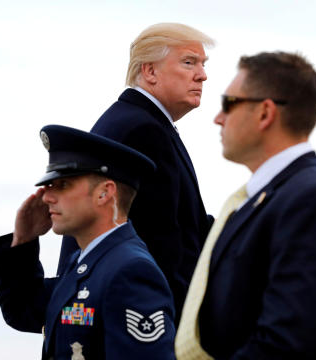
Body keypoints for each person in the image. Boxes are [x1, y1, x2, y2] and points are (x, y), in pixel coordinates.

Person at [175, 52, 316, 359]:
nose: (217, 117)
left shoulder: (313, 202)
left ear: (265, 113)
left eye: (228, 104)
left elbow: (285, 345)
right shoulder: (268, 199)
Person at [56, 23, 215, 323]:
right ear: (150, 72)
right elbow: (165, 250)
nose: (202, 75)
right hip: (137, 326)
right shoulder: (143, 130)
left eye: (203, 64)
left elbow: (187, 227)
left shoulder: (140, 122)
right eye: (189, 62)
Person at [0, 125, 176, 359]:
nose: (46, 196)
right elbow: (25, 310)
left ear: (104, 193)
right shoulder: (84, 262)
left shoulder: (130, 271)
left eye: (62, 185)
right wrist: (23, 241)